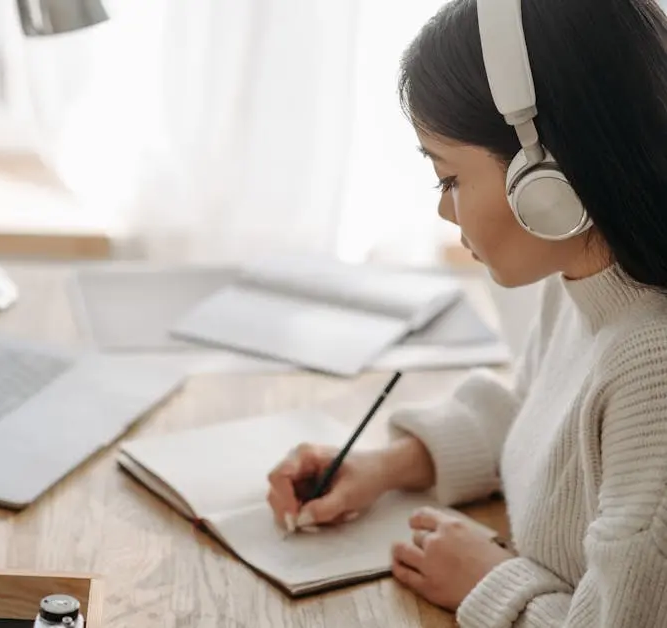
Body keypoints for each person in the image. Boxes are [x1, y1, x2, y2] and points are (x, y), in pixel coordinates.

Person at [266, 0, 667, 625]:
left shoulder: (653, 368)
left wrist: (493, 583)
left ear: (545, 178)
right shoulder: (585, 278)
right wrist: (385, 467)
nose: (445, 212)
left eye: (447, 179)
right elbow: (540, 423)